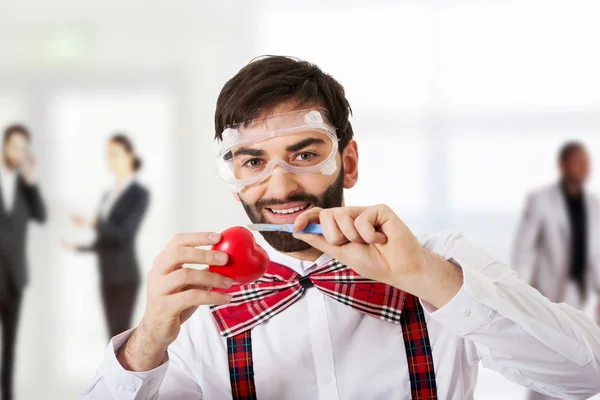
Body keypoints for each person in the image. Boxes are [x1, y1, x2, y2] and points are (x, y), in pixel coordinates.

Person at [81, 57, 600, 400]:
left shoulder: (443, 263)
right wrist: (147, 340)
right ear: (235, 180)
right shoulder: (199, 307)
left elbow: (584, 374)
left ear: (347, 163)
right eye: (253, 162)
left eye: (305, 154)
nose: (279, 186)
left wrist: (426, 276)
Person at [512, 141, 600, 400]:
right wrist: (518, 290)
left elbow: (594, 251)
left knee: (574, 352)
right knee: (546, 353)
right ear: (563, 165)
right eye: (579, 162)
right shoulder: (541, 200)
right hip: (547, 288)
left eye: (587, 162)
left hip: (578, 289)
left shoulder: (593, 204)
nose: (585, 168)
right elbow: (523, 247)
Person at [64, 134, 149, 339]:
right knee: (110, 336)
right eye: (108, 156)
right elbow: (105, 238)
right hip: (106, 273)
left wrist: (92, 222)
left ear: (130, 156)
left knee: (120, 334)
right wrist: (79, 248)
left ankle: (121, 373)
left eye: (115, 154)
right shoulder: (107, 195)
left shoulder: (139, 193)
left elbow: (124, 234)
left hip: (124, 274)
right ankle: (111, 372)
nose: (111, 160)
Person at [0, 124, 46, 400]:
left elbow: (40, 215)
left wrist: (31, 182)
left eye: (23, 148)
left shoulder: (23, 185)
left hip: (15, 278)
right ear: (5, 146)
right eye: (14, 146)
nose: (18, 153)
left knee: (10, 347)